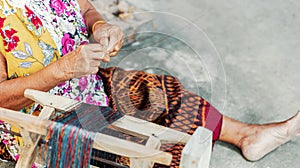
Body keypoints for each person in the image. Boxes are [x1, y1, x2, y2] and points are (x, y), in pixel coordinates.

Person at [0, 0, 299, 167]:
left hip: (83, 84)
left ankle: (247, 135)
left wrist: (101, 26)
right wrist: (62, 70)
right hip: (39, 119)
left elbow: (84, 8)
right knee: (139, 148)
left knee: (155, 91)